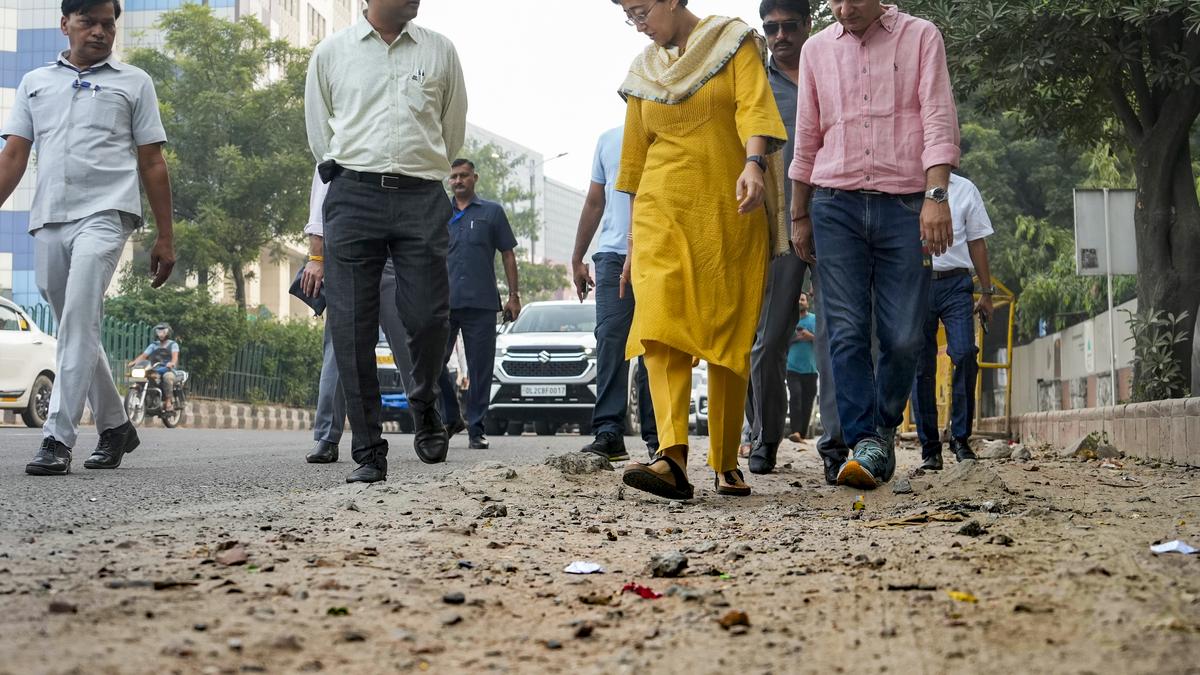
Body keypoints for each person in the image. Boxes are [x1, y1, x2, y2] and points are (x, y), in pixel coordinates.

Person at [611, 0, 790, 500]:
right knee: (658, 326)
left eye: (641, 9)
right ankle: (672, 456)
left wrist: (754, 164)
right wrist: (630, 243)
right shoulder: (642, 71)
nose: (637, 23)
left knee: (726, 328)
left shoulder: (731, 42)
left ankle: (726, 458)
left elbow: (755, 107)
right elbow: (633, 159)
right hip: (659, 212)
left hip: (728, 207)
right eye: (627, 15)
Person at [789, 0, 960, 489]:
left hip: (905, 205)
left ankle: (881, 428)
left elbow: (938, 121)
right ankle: (864, 440)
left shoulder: (921, 36)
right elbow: (807, 136)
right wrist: (799, 213)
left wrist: (936, 197)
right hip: (834, 205)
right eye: (835, 1)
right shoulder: (817, 50)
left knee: (905, 336)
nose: (844, 10)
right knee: (843, 331)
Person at [0, 0, 174, 476]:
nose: (100, 31)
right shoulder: (35, 83)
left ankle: (57, 436)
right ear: (65, 25)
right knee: (74, 326)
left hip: (107, 214)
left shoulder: (135, 82)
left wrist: (165, 236)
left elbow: (153, 162)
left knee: (78, 318)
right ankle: (117, 426)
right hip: (49, 217)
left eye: (108, 24)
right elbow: (14, 155)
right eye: (88, 22)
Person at [305, 0, 467, 483]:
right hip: (353, 196)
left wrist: (423, 167)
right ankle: (368, 451)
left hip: (421, 197)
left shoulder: (440, 51)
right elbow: (321, 136)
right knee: (352, 327)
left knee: (428, 317)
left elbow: (451, 129)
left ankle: (424, 402)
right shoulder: (331, 53)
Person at [299, 167, 418, 464]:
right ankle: (327, 437)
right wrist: (316, 257)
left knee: (410, 345)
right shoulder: (338, 146)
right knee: (340, 349)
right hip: (349, 259)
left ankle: (427, 423)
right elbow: (319, 204)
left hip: (393, 260)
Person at [743, 0, 813, 475]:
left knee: (845, 337)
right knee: (767, 342)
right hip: (779, 228)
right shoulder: (755, 87)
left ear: (808, 25)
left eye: (790, 25)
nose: (781, 35)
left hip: (835, 219)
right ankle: (765, 436)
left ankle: (848, 443)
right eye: (772, 28)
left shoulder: (830, 71)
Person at [570, 125, 659, 462]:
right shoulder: (608, 139)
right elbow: (595, 201)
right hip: (611, 254)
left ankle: (658, 438)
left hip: (659, 250)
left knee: (653, 343)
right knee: (610, 339)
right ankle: (609, 431)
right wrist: (577, 256)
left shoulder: (668, 131)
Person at [910, 173, 994, 470]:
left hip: (956, 284)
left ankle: (960, 438)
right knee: (921, 367)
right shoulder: (906, 183)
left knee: (965, 354)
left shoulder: (965, 189)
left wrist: (986, 292)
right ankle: (930, 448)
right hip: (916, 285)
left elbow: (977, 241)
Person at [437, 158, 521, 450]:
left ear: (475, 177)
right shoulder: (438, 211)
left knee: (480, 368)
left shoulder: (492, 212)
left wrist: (514, 296)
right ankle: (450, 416)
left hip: (482, 302)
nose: (458, 181)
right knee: (431, 363)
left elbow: (508, 254)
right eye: (453, 177)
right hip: (442, 302)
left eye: (463, 176)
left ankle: (476, 429)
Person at [785, 292, 817, 441]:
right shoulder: (789, 321)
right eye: (797, 298)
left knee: (807, 402)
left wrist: (810, 337)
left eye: (802, 299)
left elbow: (823, 340)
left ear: (807, 303)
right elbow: (781, 340)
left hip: (811, 369)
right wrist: (795, 338)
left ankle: (801, 434)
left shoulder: (814, 320)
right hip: (792, 368)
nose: (800, 301)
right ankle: (796, 431)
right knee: (796, 397)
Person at [129, 323, 180, 412]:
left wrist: (171, 363)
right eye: (158, 331)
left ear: (168, 333)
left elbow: (175, 357)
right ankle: (146, 398)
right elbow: (143, 356)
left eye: (163, 331)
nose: (161, 334)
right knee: (143, 377)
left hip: (168, 369)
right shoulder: (153, 345)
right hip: (155, 369)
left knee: (167, 378)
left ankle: (168, 402)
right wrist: (134, 362)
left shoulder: (173, 345)